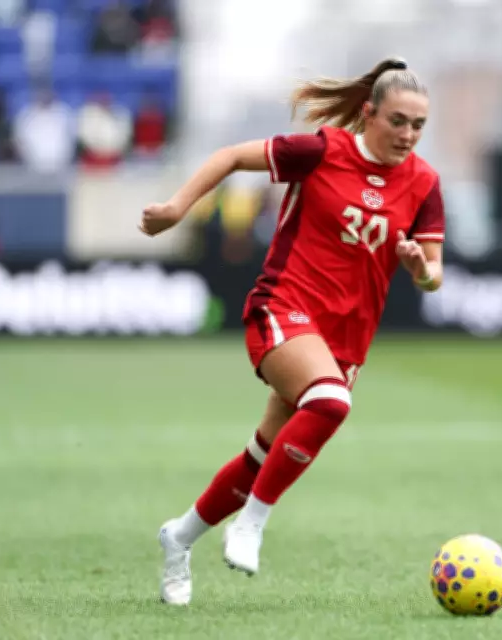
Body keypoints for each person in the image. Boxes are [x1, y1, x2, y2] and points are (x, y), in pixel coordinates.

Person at [139, 57, 446, 606]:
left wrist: (419, 269)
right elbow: (231, 157)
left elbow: (434, 274)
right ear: (369, 113)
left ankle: (178, 538)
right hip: (284, 305)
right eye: (398, 121)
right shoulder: (323, 150)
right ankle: (252, 523)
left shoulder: (424, 183)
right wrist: (177, 209)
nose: (408, 134)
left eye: (418, 125)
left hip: (345, 340)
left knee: (262, 456)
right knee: (330, 402)